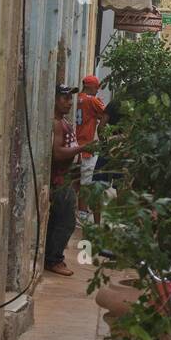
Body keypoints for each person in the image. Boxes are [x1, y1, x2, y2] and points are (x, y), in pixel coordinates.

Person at [45, 85, 89, 277]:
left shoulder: (63, 121)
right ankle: (54, 260)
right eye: (65, 98)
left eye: (70, 99)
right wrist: (82, 149)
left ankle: (53, 257)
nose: (69, 102)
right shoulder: (56, 124)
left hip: (67, 179)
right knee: (65, 222)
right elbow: (57, 153)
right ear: (55, 99)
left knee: (60, 221)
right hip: (60, 180)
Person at [76, 75, 107, 224]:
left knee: (81, 180)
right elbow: (106, 114)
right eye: (96, 87)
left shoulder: (79, 98)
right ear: (90, 86)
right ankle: (82, 213)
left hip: (79, 143)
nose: (97, 90)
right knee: (87, 182)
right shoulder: (91, 100)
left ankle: (82, 211)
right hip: (88, 146)